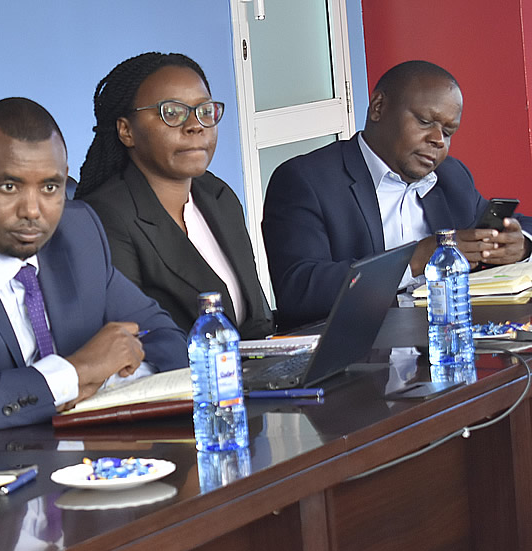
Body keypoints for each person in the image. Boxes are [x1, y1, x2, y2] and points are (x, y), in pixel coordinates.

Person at [0, 98, 186, 433]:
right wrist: (74, 373)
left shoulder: (78, 232)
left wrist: (105, 376)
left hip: (94, 448)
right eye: (9, 187)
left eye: (50, 187)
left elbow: (166, 340)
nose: (32, 210)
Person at [263, 60, 532, 328]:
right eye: (425, 122)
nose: (438, 140)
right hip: (355, 345)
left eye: (448, 132)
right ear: (378, 108)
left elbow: (510, 226)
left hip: (441, 339)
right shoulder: (306, 180)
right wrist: (415, 260)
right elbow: (299, 290)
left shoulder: (450, 176)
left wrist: (521, 245)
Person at [74, 52, 274, 339]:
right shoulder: (105, 217)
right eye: (172, 113)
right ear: (126, 131)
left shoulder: (218, 195)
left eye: (205, 111)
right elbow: (133, 341)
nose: (195, 125)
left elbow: (255, 319)